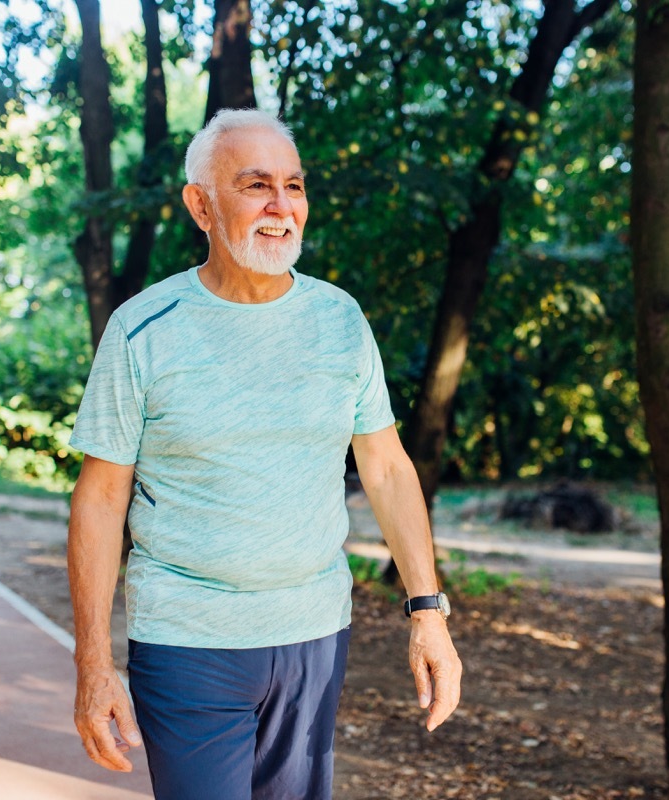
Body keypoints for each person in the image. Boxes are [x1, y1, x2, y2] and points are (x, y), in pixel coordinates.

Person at [67, 108, 462, 800]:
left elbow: (389, 469)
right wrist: (94, 665)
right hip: (188, 639)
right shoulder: (143, 330)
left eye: (295, 186)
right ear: (201, 204)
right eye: (256, 186)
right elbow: (101, 499)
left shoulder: (340, 319)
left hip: (314, 634)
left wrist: (428, 612)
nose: (282, 207)